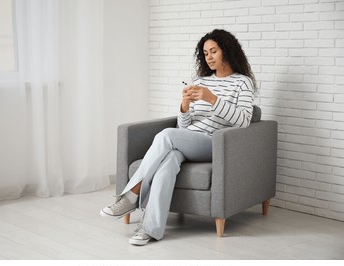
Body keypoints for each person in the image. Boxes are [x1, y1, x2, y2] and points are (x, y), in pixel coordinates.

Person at [100, 29, 257, 246]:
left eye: (213, 51)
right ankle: (149, 229)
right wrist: (184, 107)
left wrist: (213, 99)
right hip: (188, 140)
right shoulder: (201, 81)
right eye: (205, 53)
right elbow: (184, 126)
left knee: (166, 135)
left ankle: (131, 195)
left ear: (227, 52)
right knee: (169, 158)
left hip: (215, 143)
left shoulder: (242, 83)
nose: (209, 57)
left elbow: (243, 121)